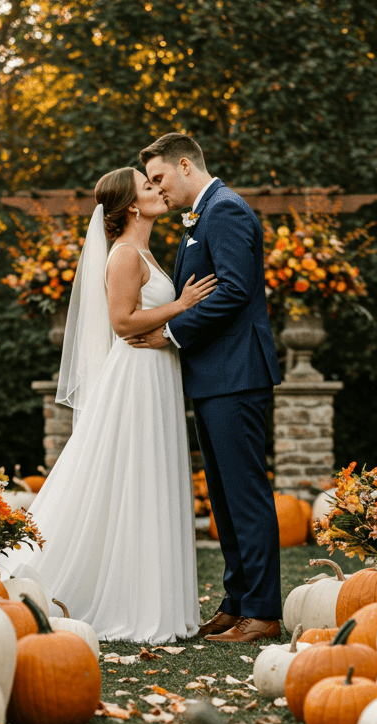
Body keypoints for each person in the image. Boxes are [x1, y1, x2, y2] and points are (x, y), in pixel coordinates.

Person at [0, 166, 216, 644]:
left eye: (154, 183)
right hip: (135, 377)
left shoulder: (143, 251)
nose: (157, 190)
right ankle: (111, 599)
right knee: (132, 477)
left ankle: (150, 596)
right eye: (147, 186)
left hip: (155, 373)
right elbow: (122, 322)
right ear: (132, 206)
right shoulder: (123, 255)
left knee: (147, 477)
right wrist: (181, 306)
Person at [136, 132, 283, 642]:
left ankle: (262, 612)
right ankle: (236, 601)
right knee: (222, 497)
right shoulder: (206, 214)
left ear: (183, 165)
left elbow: (237, 291)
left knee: (245, 495)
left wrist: (171, 332)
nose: (157, 190)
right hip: (215, 375)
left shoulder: (225, 211)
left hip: (237, 374)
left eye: (159, 179)